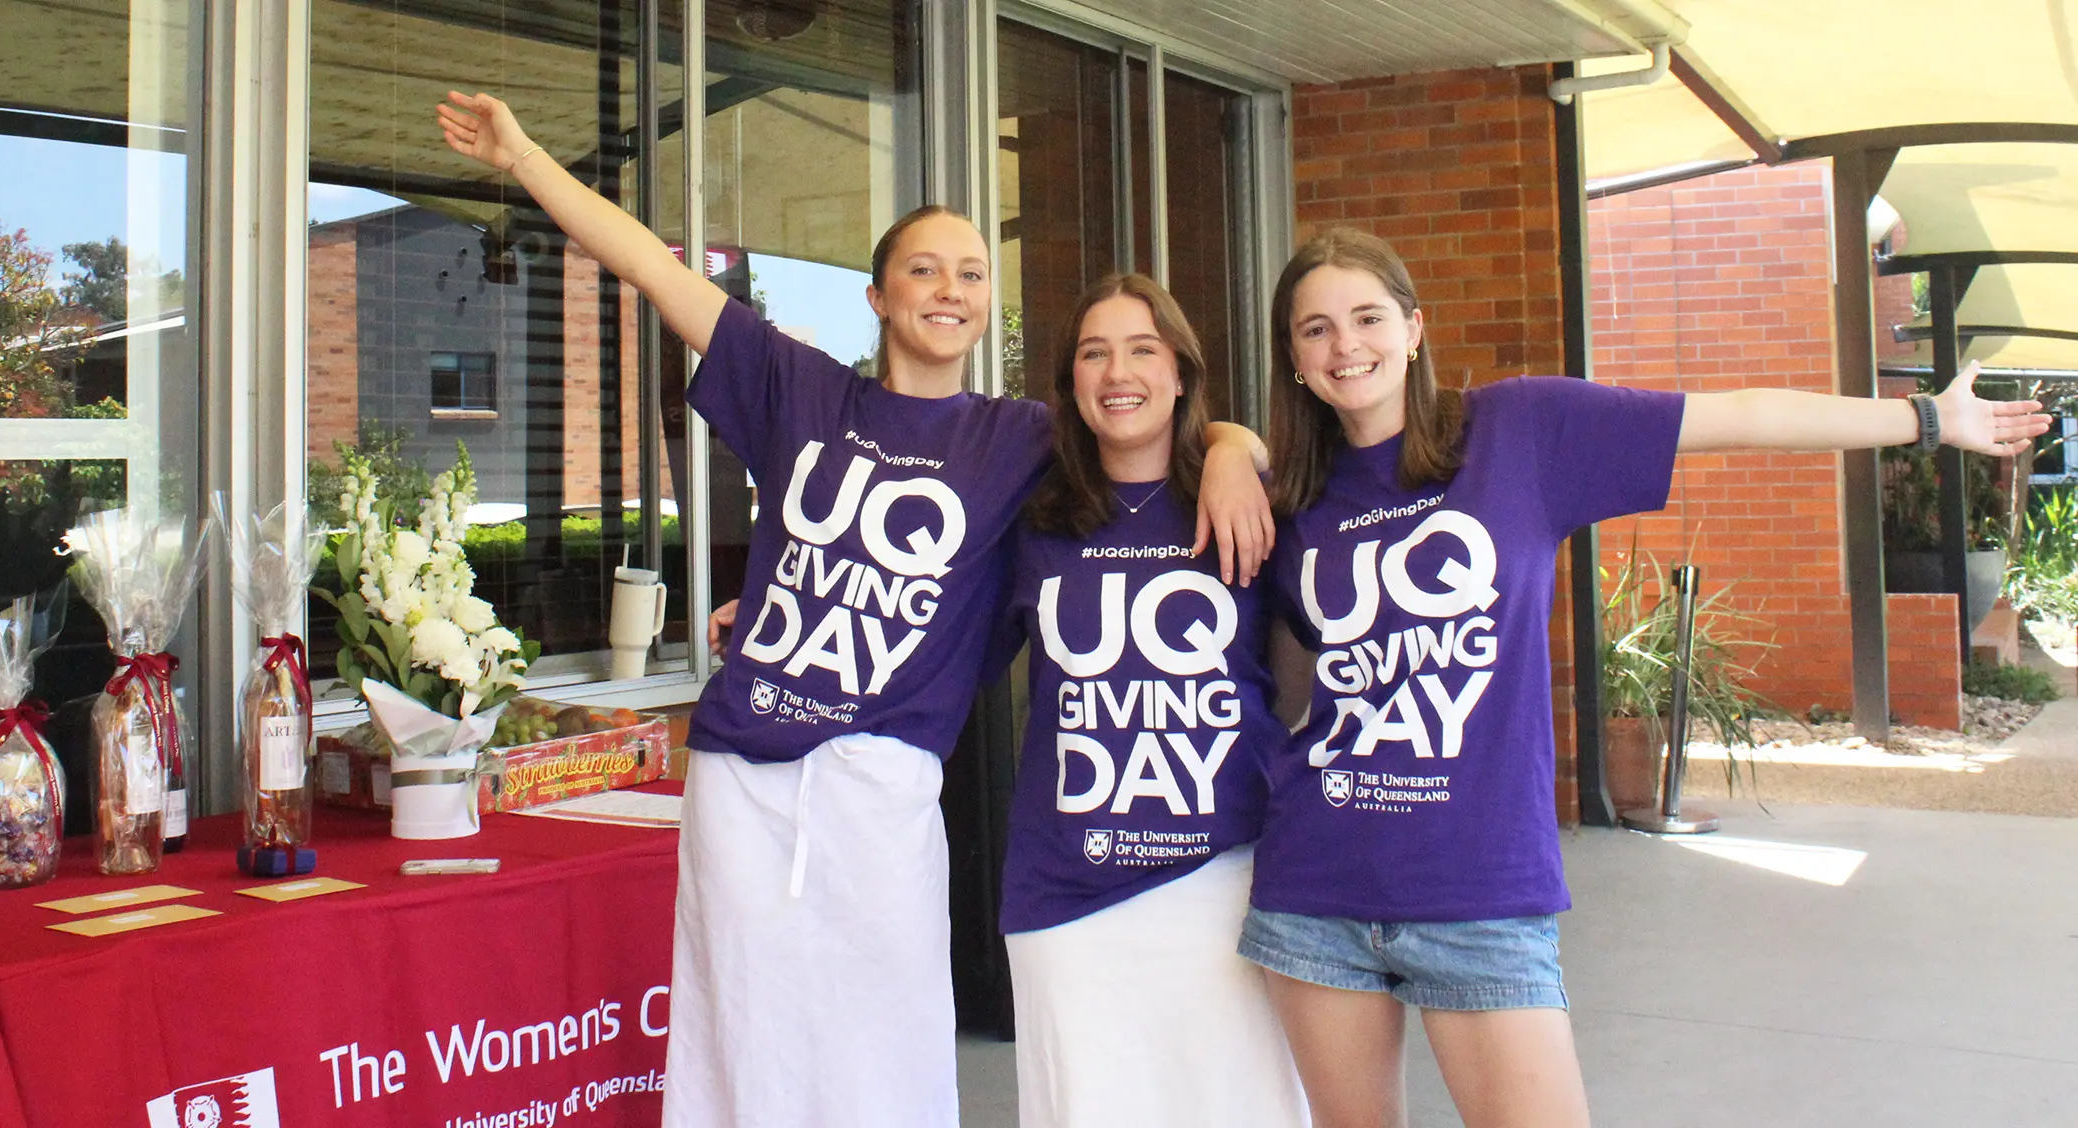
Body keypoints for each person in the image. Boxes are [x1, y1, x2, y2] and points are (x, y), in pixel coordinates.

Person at [436, 92, 1275, 1128]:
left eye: (971, 274)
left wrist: (1237, 447)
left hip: (882, 780)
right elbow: (654, 269)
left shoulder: (1017, 439)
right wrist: (522, 153)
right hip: (744, 772)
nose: (950, 290)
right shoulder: (804, 391)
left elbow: (1144, 404)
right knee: (736, 1026)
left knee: (888, 1043)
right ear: (878, 296)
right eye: (924, 269)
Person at [1237, 227, 2046, 1128]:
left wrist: (1927, 420)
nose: (1345, 346)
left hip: (1479, 890)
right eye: (1315, 330)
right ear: (1294, 359)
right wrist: (1235, 446)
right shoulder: (1291, 497)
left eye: (1366, 317)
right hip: (1317, 886)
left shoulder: (1520, 431)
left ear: (1415, 328)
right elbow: (1278, 677)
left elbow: (1739, 416)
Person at [994, 273, 1306, 1128]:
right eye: (1094, 353)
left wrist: (1238, 451)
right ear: (1071, 386)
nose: (1117, 371)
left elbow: (1332, 658)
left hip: (1226, 878)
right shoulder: (1034, 522)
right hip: (1067, 893)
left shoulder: (1245, 506)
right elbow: (933, 636)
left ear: (1180, 374)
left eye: (1142, 349)